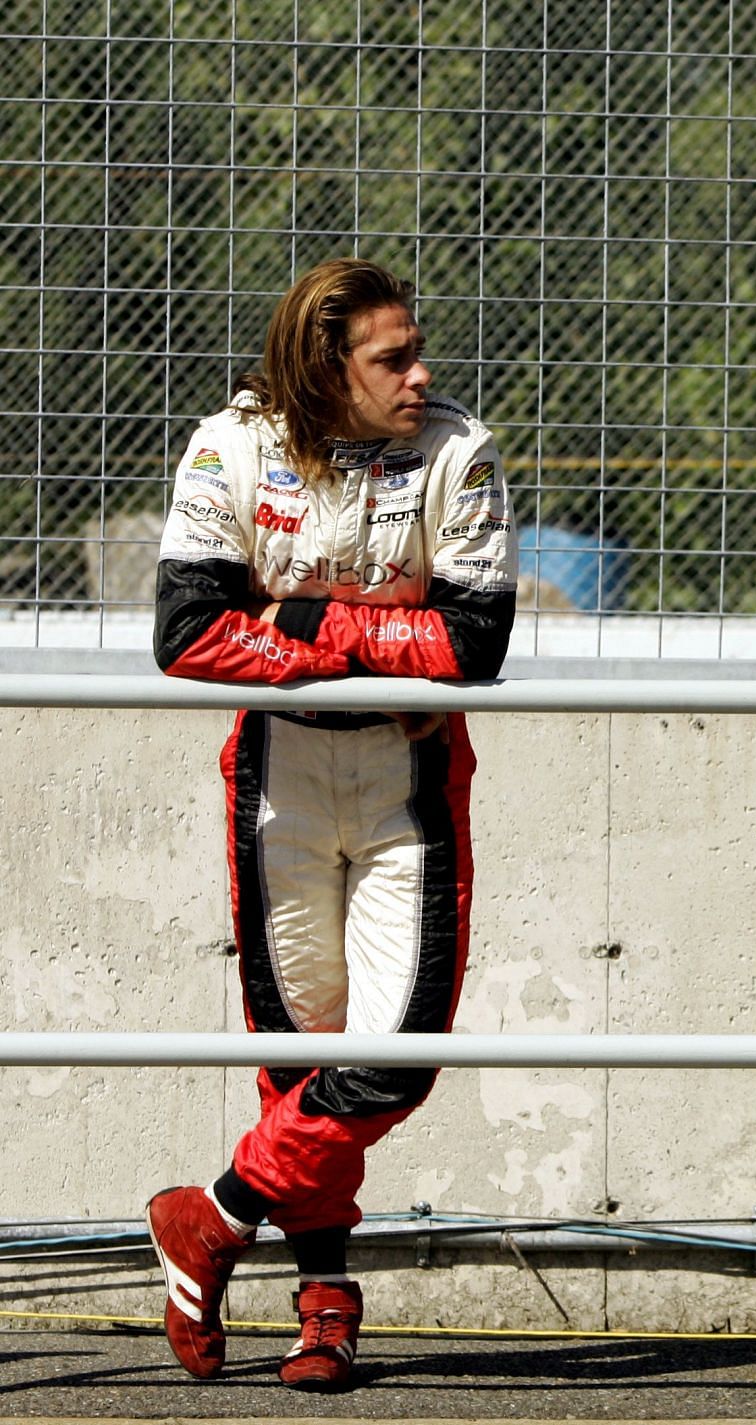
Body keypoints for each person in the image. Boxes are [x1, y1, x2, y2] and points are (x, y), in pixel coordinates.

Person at [146, 258, 516, 1391]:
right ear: (324, 367)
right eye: (392, 358)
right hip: (281, 780)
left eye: (418, 350)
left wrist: (296, 616)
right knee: (302, 1061)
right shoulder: (232, 444)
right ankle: (324, 1305)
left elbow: (474, 646)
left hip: (411, 782)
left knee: (394, 1056)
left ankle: (208, 1218)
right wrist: (361, 634)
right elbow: (187, 633)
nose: (423, 373)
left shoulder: (458, 449)